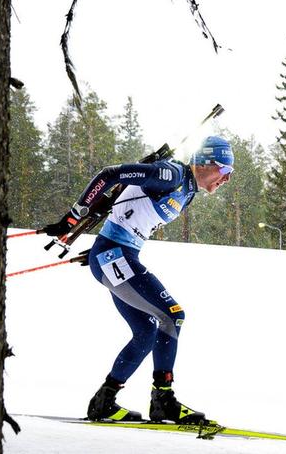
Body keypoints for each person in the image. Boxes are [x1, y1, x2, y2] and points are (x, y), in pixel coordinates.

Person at [42, 135, 234, 424]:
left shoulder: (188, 190)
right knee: (173, 316)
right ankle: (163, 400)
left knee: (146, 331)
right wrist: (74, 217)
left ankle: (104, 401)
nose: (227, 179)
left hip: (115, 254)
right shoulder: (171, 174)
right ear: (206, 162)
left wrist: (99, 249)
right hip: (114, 255)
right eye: (224, 170)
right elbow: (110, 174)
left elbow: (130, 213)